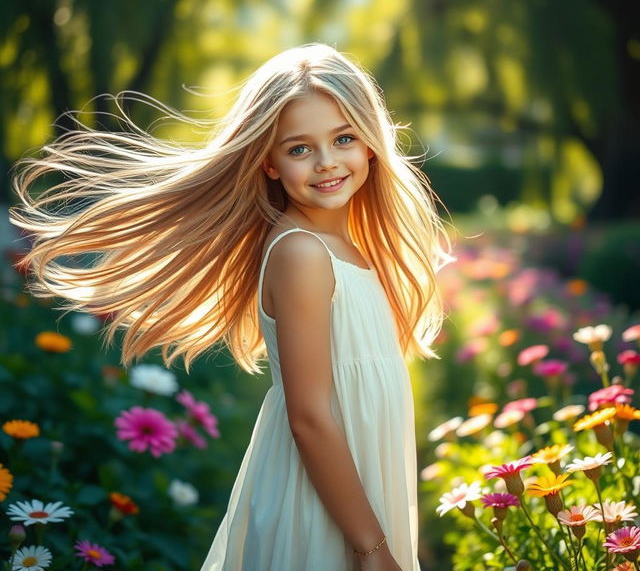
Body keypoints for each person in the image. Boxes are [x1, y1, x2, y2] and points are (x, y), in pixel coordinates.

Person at [9, 43, 456, 570]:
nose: (328, 162)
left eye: (343, 138)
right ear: (268, 162)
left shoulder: (346, 247)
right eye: (299, 149)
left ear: (371, 143)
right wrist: (372, 548)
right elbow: (310, 417)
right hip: (325, 509)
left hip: (357, 495)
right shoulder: (303, 254)